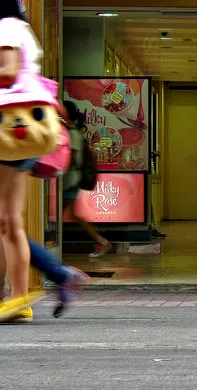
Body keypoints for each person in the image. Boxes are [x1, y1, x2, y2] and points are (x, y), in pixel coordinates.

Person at [0, 0, 51, 321]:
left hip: (8, 128)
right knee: (8, 221)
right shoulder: (22, 28)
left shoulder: (5, 28)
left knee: (8, 221)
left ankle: (18, 297)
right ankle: (17, 297)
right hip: (22, 131)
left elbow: (6, 70)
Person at [61, 100, 111, 258]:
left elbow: (73, 160)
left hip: (71, 180)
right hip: (70, 180)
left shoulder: (72, 134)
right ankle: (101, 241)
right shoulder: (71, 132)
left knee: (71, 214)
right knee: (69, 214)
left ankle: (101, 241)